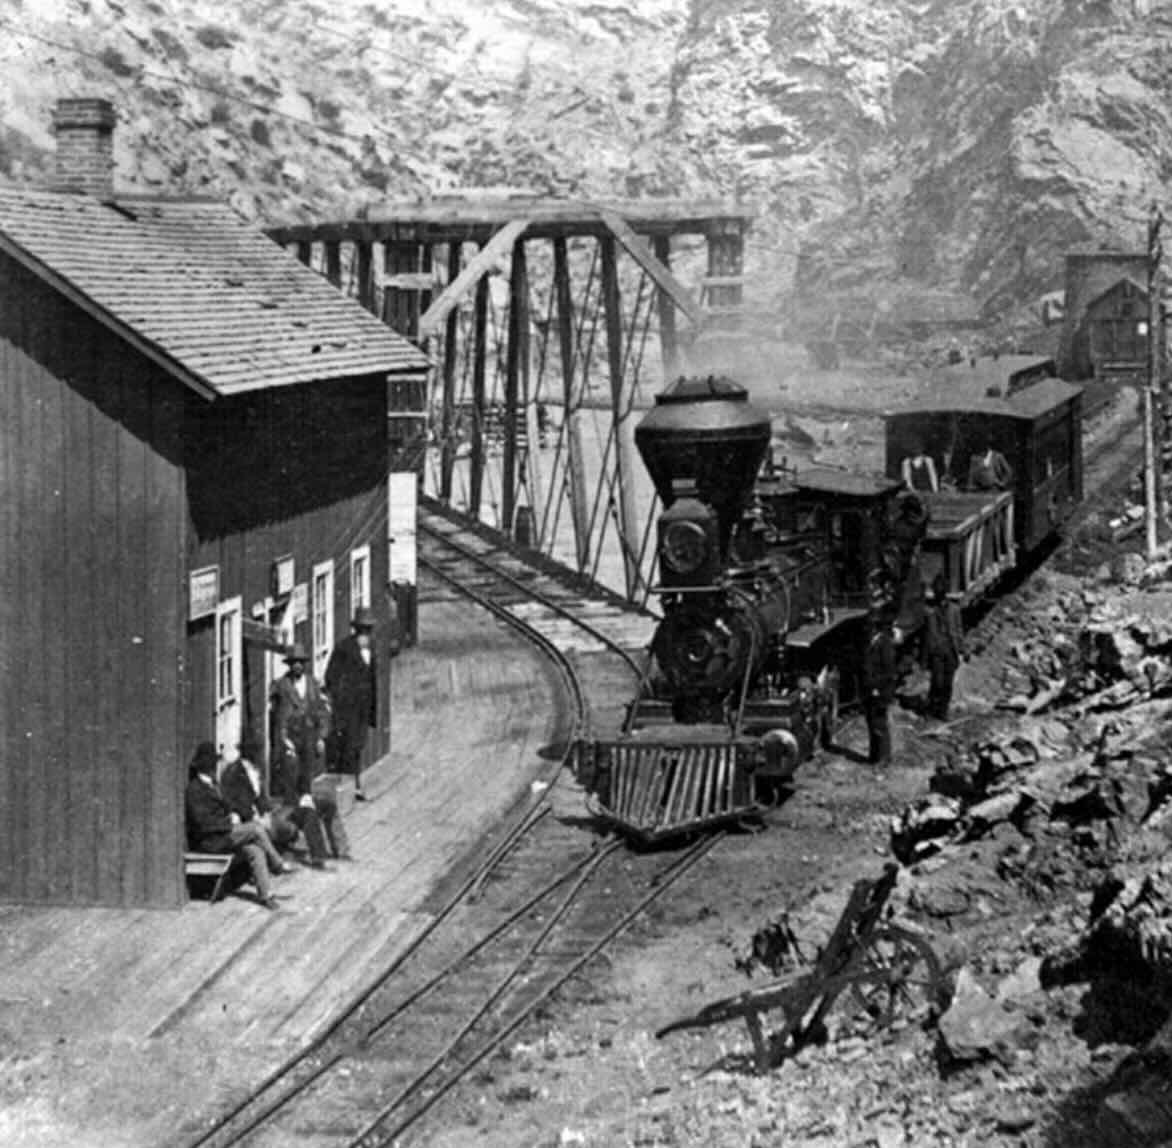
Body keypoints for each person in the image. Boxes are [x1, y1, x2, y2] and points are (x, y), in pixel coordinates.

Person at [185, 741, 292, 910]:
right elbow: (202, 823)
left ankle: (266, 895)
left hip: (223, 836)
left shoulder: (213, 785)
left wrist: (234, 814)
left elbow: (226, 805)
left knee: (254, 850)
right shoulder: (195, 790)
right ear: (206, 767)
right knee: (255, 829)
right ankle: (277, 864)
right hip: (210, 841)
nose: (215, 769)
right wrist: (229, 822)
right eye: (212, 765)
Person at [271, 643, 353, 862]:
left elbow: (322, 712)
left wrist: (321, 736)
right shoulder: (282, 686)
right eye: (294, 662)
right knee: (293, 792)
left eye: (301, 662)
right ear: (289, 665)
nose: (298, 666)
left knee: (315, 791)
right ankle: (295, 842)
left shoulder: (312, 684)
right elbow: (279, 719)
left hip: (310, 741)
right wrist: (284, 742)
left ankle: (337, 848)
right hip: (292, 743)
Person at [221, 732, 332, 870]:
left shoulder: (254, 770)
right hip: (253, 820)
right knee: (290, 821)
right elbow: (235, 801)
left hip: (268, 813)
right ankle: (294, 858)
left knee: (307, 811)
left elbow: (260, 798)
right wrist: (255, 817)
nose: (257, 755)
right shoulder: (234, 772)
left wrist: (268, 811)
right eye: (254, 751)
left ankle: (318, 856)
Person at [325, 607, 378, 800]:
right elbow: (330, 676)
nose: (366, 633)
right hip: (347, 710)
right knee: (347, 748)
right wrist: (341, 699)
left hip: (363, 709)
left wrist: (372, 711)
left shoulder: (372, 647)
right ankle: (348, 789)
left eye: (368, 629)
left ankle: (355, 785)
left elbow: (373, 680)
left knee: (357, 747)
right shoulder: (343, 648)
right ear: (356, 629)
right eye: (362, 629)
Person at [921, 576, 965, 720]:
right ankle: (931, 708)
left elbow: (958, 631)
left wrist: (962, 649)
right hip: (937, 652)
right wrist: (925, 656)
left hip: (950, 650)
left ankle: (942, 711)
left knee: (947, 683)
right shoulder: (930, 612)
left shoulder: (954, 610)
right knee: (937, 682)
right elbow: (926, 636)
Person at [860, 610, 897, 767]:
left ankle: (884, 757)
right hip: (870, 691)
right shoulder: (871, 642)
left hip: (880, 691)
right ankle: (874, 755)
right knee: (872, 724)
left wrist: (878, 688)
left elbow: (889, 672)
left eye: (870, 627)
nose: (868, 630)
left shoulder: (884, 644)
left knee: (880, 725)